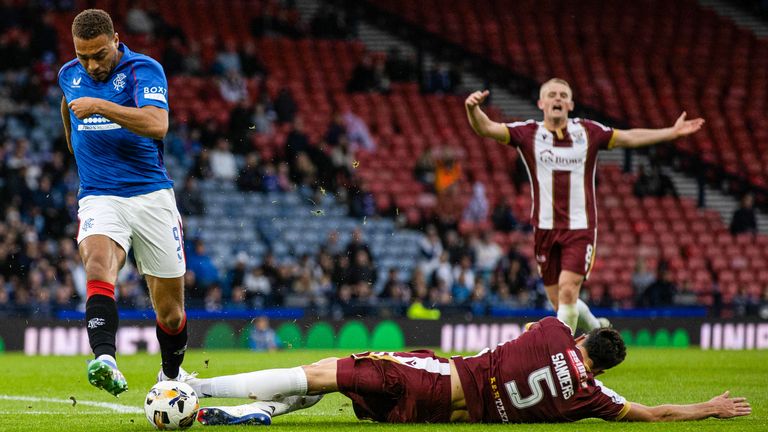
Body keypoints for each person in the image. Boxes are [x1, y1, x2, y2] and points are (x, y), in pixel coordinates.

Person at [464, 78, 705, 334]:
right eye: (552, 94)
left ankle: (561, 355)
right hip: (544, 229)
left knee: (568, 291)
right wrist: (472, 109)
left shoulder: (587, 132)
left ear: (570, 104)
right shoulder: (528, 133)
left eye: (562, 95)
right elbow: (486, 128)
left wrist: (671, 132)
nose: (557, 98)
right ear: (541, 103)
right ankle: (598, 328)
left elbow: (629, 137)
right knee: (561, 303)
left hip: (580, 228)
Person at [184, 317, 750, 425]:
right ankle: (252, 412)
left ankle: (197, 386)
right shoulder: (591, 399)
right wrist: (710, 408)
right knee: (335, 388)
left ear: (582, 339)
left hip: (430, 377)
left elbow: (538, 327)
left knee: (315, 374)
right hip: (427, 415)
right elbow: (654, 414)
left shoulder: (553, 332)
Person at [58, 9, 189, 396]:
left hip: (150, 196)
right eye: (83, 56)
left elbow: (156, 123)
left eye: (99, 54)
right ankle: (105, 359)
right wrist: (77, 145)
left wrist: (99, 106)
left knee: (171, 312)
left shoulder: (143, 70)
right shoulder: (69, 74)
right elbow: (68, 109)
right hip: (99, 195)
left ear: (116, 40)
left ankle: (170, 377)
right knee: (98, 263)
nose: (91, 64)